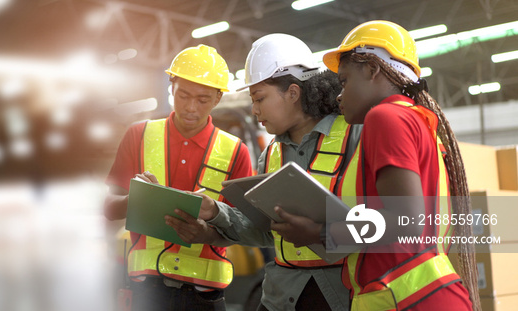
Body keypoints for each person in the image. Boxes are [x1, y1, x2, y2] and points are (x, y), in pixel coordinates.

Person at [274, 20, 479, 310]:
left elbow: (406, 219)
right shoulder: (414, 119)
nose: (339, 95)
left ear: (372, 70)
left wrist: (318, 233)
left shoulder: (385, 118)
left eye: (344, 81)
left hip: (406, 298)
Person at [166, 34, 362, 311]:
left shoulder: (356, 135)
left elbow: (395, 223)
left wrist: (321, 233)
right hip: (279, 297)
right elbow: (267, 233)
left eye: (259, 98)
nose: (254, 109)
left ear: (293, 93)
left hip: (341, 295)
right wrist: (215, 213)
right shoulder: (270, 155)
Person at [104, 44, 253, 311]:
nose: (191, 108)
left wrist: (206, 234)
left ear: (218, 98)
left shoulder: (236, 152)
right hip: (146, 290)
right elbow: (106, 206)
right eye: (183, 95)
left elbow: (246, 228)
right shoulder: (138, 136)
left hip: (204, 296)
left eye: (203, 99)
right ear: (171, 85)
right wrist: (134, 199)